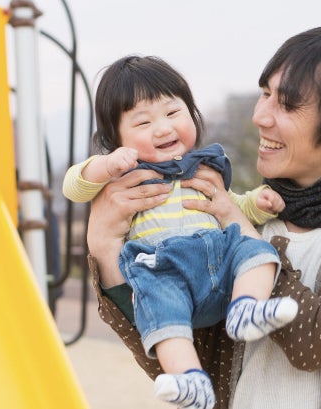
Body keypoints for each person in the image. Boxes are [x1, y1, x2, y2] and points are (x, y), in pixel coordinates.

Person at [86, 27, 321, 409]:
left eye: (286, 104)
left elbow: (316, 340)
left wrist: (237, 224)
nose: (260, 116)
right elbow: (179, 357)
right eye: (265, 94)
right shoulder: (238, 212)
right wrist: (105, 249)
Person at [63, 55, 297, 408]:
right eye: (143, 122)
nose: (163, 128)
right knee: (159, 309)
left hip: (218, 262)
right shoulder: (124, 176)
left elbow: (229, 205)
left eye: (173, 113)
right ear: (116, 138)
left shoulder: (203, 168)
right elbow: (73, 186)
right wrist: (107, 165)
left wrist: (256, 203)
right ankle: (189, 378)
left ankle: (246, 307)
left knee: (256, 249)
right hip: (166, 270)